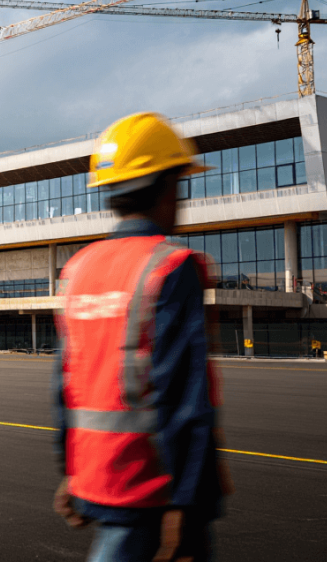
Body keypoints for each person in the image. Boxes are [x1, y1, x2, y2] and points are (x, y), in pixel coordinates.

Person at [52, 112, 231, 562]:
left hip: (95, 475)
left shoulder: (77, 271)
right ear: (170, 187)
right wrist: (187, 502)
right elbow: (185, 396)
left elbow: (65, 385)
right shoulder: (171, 267)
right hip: (152, 486)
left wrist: (70, 471)